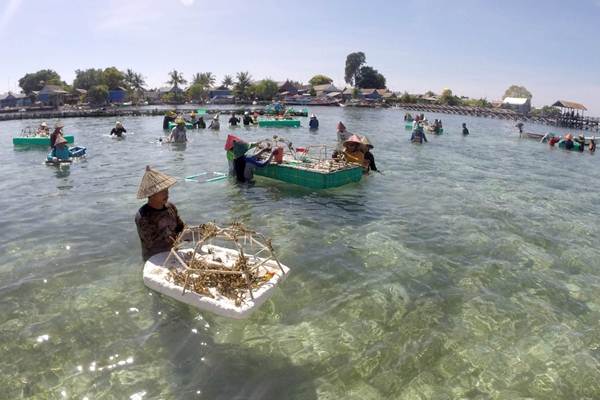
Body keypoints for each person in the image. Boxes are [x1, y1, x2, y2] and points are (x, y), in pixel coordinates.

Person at [135, 166, 185, 261]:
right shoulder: (143, 216)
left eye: (167, 190)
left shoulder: (170, 207)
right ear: (152, 194)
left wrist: (199, 232)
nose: (167, 194)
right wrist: (176, 238)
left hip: (174, 254)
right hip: (154, 259)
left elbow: (181, 229)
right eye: (162, 191)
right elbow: (151, 243)